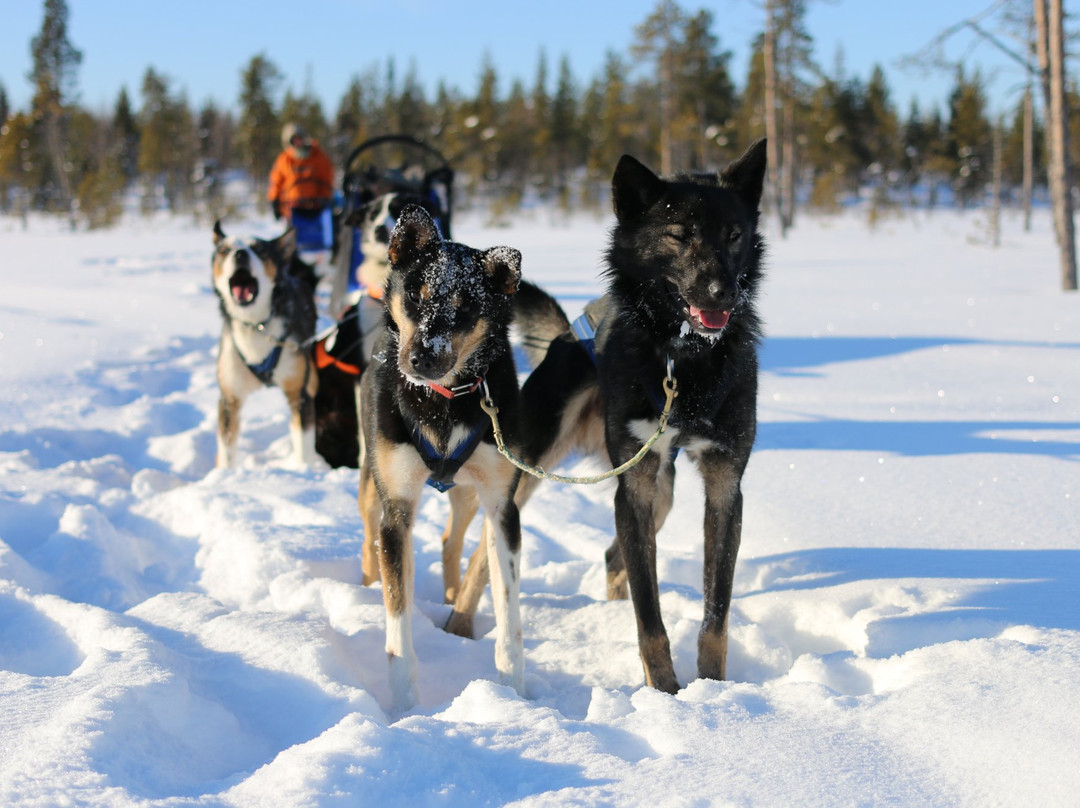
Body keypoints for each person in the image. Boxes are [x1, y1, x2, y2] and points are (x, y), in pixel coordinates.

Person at [268, 123, 334, 223]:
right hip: (292, 209)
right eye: (293, 140)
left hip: (316, 208)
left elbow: (327, 179)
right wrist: (275, 201)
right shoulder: (284, 160)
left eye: (299, 138)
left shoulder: (318, 157)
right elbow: (276, 182)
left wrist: (326, 198)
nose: (297, 142)